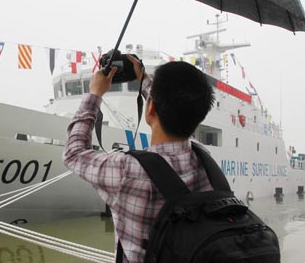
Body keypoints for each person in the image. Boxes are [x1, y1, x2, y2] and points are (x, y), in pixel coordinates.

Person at [63, 55, 216, 263]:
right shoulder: (205, 159)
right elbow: (171, 108)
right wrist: (144, 79)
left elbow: (74, 153)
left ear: (150, 108)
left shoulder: (128, 170)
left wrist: (94, 94)